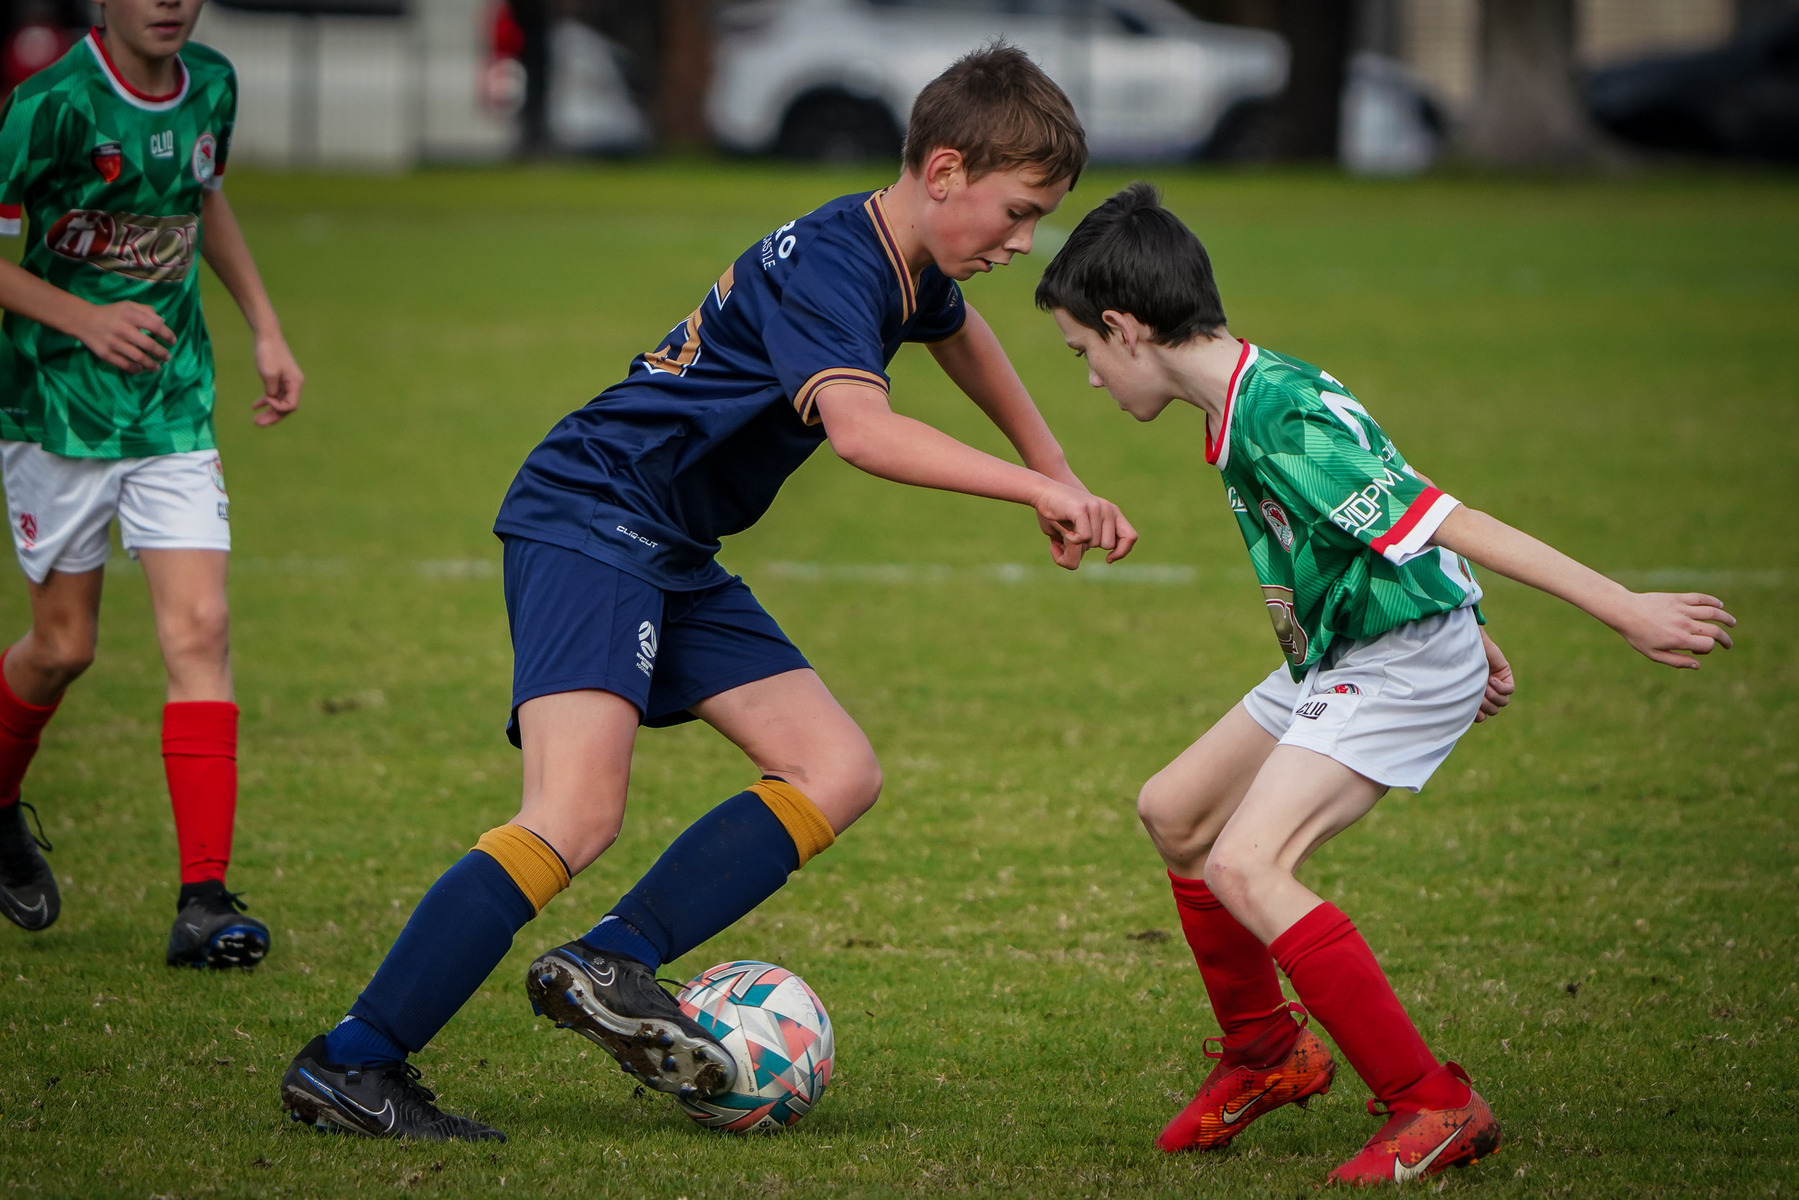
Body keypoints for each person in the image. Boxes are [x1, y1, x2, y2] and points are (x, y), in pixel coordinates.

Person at [280, 44, 1135, 1142]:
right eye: (1016, 214)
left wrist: (1053, 471)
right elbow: (865, 434)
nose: (1023, 242)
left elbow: (959, 340)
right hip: (592, 513)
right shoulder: (838, 262)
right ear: (943, 172)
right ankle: (350, 1063)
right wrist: (1028, 486)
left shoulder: (908, 259)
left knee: (835, 770)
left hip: (671, 541)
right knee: (575, 810)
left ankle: (612, 961)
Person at [1033, 182, 1735, 1185]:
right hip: (1358, 646)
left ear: (1123, 327)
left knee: (1244, 864)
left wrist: (1619, 605)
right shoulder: (1248, 389)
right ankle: (1267, 1054)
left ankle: (1431, 1103)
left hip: (1395, 659)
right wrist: (1465, 614)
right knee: (1175, 813)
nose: (1091, 381)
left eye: (1082, 355)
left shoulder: (1271, 417)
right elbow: (1393, 494)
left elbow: (1440, 511)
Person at [0, 0, 303, 967]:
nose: (169, 1)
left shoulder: (212, 84)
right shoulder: (49, 106)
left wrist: (262, 322)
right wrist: (82, 319)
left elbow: (201, 195)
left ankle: (204, 901)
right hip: (56, 412)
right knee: (63, 647)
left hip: (173, 404)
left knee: (200, 628)